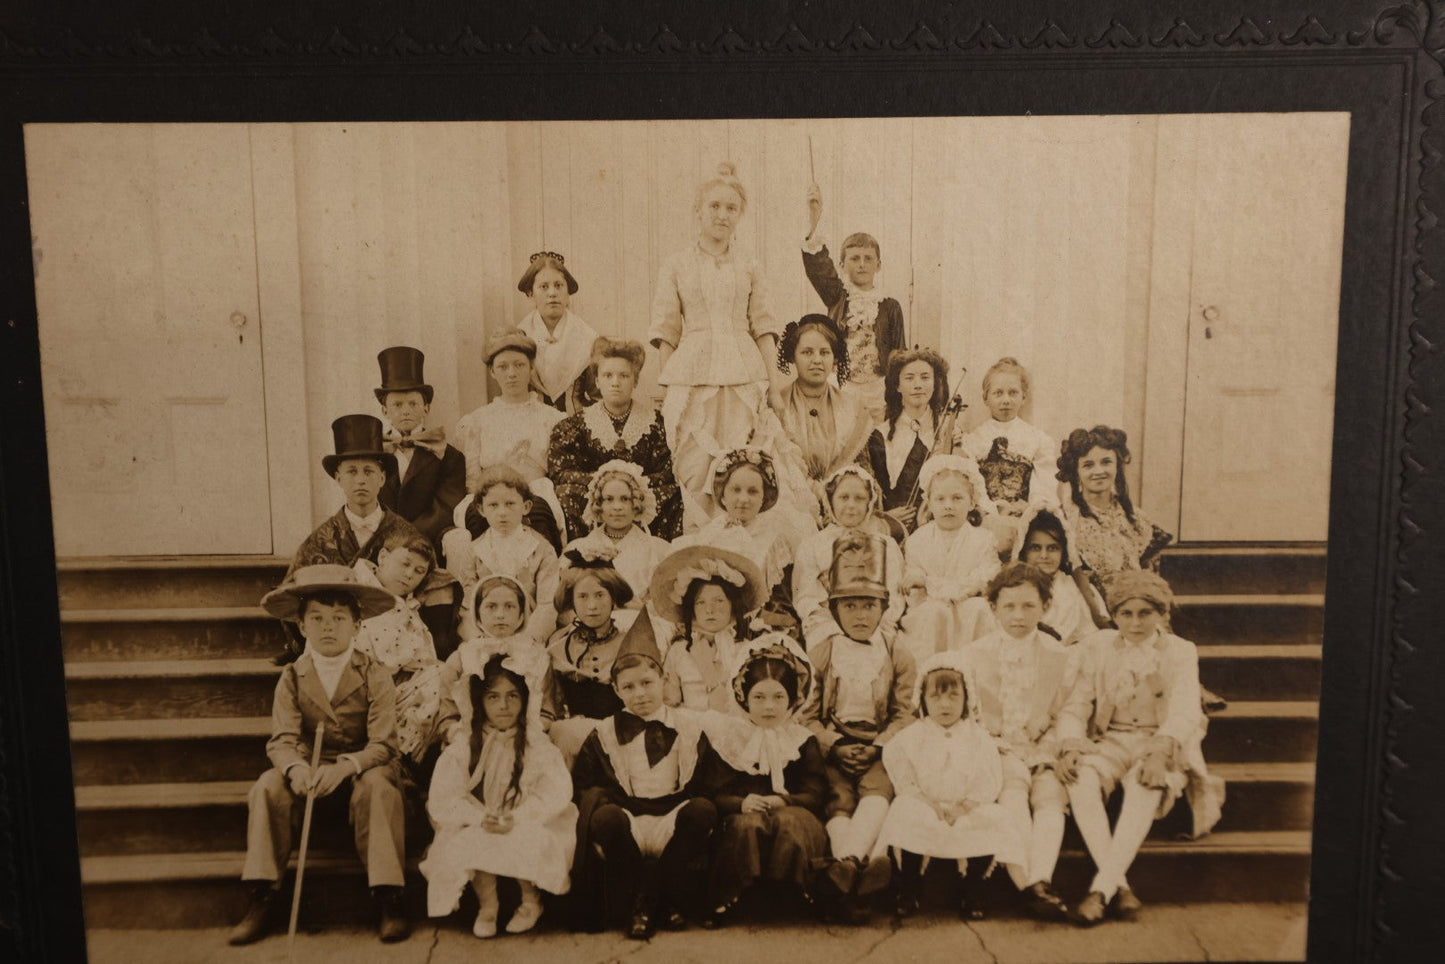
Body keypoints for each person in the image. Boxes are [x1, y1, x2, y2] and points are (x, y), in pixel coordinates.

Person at [228, 565, 407, 945]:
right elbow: (282, 740)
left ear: (358, 625)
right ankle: (262, 895)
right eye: (317, 618)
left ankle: (388, 897)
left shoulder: (374, 672)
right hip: (310, 773)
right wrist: (295, 770)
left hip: (361, 770)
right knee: (267, 786)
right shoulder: (293, 676)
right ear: (302, 625)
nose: (329, 627)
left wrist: (345, 767)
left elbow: (385, 744)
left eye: (339, 618)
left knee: (379, 785)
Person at [1055, 571, 1226, 926]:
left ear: (1161, 614)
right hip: (1110, 740)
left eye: (1144, 613)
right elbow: (1077, 704)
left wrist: (1161, 751)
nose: (1134, 623)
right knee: (1080, 780)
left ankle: (1100, 891)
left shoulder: (1180, 651)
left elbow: (1184, 710)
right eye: (1125, 614)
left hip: (1158, 739)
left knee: (1147, 782)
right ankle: (1121, 887)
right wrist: (1071, 744)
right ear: (1114, 615)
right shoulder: (1098, 646)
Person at [648, 161, 811, 530]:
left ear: (740, 214)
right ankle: (701, 537)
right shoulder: (676, 265)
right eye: (715, 207)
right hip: (693, 376)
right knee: (694, 462)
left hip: (743, 375)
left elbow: (764, 327)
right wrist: (672, 388)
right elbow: (666, 330)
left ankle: (744, 539)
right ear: (698, 210)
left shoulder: (749, 266)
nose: (722, 215)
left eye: (731, 208)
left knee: (745, 456)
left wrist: (773, 388)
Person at [569, 623, 724, 938]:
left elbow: (707, 779)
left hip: (672, 815)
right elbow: (585, 783)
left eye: (647, 683)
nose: (639, 694)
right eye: (628, 687)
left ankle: (645, 902)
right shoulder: (605, 732)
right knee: (605, 819)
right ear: (616, 690)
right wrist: (607, 801)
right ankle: (662, 902)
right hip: (629, 817)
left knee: (704, 810)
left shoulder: (689, 727)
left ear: (664, 681)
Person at [797, 532, 916, 925]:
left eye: (869, 605)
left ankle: (845, 864)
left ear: (883, 607)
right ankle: (862, 868)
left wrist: (881, 745)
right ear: (835, 610)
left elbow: (905, 712)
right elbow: (806, 715)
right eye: (850, 606)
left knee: (879, 790)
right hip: (836, 744)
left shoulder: (896, 650)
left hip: (880, 746)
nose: (860, 615)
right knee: (837, 796)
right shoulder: (824, 652)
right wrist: (832, 745)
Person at [420, 652, 576, 938]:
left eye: (512, 696)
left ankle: (531, 902)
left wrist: (517, 817)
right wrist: (481, 817)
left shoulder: (535, 745)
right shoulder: (466, 744)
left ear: (525, 699)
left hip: (525, 817)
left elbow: (552, 793)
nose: (503, 706)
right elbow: (447, 794)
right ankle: (488, 905)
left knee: (530, 837)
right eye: (493, 697)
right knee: (470, 839)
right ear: (480, 701)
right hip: (482, 819)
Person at [280, 414, 457, 664]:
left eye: (369, 471)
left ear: (382, 478)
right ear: (338, 479)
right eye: (351, 471)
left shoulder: (408, 536)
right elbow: (291, 601)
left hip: (398, 649)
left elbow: (432, 592)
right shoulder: (318, 543)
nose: (361, 479)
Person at [962, 563, 1078, 922]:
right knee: (1013, 792)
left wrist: (1055, 745)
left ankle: (1039, 879)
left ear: (1045, 607)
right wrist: (991, 743)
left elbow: (1065, 711)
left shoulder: (1059, 655)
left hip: (1041, 745)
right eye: (1009, 606)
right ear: (993, 608)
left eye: (1029, 606)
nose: (1018, 616)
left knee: (1049, 798)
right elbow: (968, 715)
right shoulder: (974, 655)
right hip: (996, 746)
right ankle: (1029, 883)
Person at [878, 652, 1025, 921]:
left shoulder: (978, 738)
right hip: (926, 803)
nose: (944, 704)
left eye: (953, 696)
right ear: (922, 699)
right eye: (935, 696)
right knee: (906, 810)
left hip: (965, 806)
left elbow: (988, 778)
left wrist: (965, 806)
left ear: (967, 698)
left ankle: (973, 887)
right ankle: (910, 885)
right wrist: (927, 802)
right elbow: (903, 774)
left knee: (994, 817)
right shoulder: (912, 737)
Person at [703, 633, 828, 925]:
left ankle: (797, 892)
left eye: (778, 697)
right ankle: (734, 896)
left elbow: (816, 791)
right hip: (744, 812)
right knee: (746, 826)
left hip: (793, 809)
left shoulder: (801, 740)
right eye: (759, 697)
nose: (769, 707)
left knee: (790, 822)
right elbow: (712, 791)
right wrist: (740, 802)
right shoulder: (730, 741)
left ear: (793, 699)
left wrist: (785, 800)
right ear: (743, 698)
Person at [547, 338, 684, 540]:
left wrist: (632, 484)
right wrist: (602, 483)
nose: (615, 382)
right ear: (597, 381)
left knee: (674, 493)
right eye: (608, 375)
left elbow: (666, 471)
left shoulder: (655, 423)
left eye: (624, 375)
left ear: (635, 381)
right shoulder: (575, 425)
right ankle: (587, 557)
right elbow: (561, 472)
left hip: (640, 497)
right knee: (565, 493)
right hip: (596, 497)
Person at [450, 329, 567, 553]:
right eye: (503, 367)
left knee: (539, 515)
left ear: (531, 368)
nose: (511, 373)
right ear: (492, 372)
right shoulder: (476, 421)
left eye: (519, 365)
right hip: (488, 494)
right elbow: (472, 480)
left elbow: (559, 473)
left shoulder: (552, 419)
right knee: (477, 517)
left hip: (535, 493)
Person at [801, 184, 906, 421]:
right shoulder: (838, 296)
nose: (861, 264)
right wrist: (814, 219)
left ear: (878, 265)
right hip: (843, 386)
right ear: (842, 265)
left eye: (868, 259)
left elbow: (899, 355)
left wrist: (896, 397)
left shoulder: (890, 306)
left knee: (876, 443)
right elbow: (818, 267)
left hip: (877, 390)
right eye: (854, 258)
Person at [351, 531, 448, 762]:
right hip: (370, 687)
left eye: (419, 571)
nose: (409, 575)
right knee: (445, 676)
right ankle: (403, 754)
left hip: (405, 687)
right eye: (405, 564)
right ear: (383, 557)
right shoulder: (364, 594)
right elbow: (389, 657)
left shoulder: (405, 603)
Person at [672, 447, 810, 607]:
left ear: (763, 498)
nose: (743, 499)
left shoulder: (774, 537)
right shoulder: (713, 530)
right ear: (723, 496)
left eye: (752, 492)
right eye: (736, 490)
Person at [792, 465, 906, 653]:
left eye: (859, 498)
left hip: (876, 622)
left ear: (870, 502)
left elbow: (895, 593)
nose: (851, 505)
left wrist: (878, 620)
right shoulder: (812, 546)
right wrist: (835, 621)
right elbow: (805, 595)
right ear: (831, 500)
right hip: (828, 622)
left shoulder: (886, 545)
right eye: (844, 497)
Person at [899, 455, 1000, 659]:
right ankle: (929, 671)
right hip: (931, 612)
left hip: (968, 607)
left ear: (972, 502)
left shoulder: (983, 540)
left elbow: (986, 577)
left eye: (957, 498)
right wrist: (919, 580)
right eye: (940, 499)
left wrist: (931, 583)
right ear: (928, 502)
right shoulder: (917, 541)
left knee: (979, 609)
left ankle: (973, 672)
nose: (948, 506)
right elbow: (913, 578)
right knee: (934, 611)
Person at [445, 465, 560, 641]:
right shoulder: (474, 551)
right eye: (493, 505)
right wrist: (480, 641)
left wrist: (528, 640)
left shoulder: (542, 550)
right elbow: (468, 606)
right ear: (482, 509)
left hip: (528, 636)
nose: (502, 513)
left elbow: (547, 604)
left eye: (510, 504)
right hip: (485, 635)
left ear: (526, 506)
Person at [373, 346, 467, 554]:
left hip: (429, 541)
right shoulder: (374, 455)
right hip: (381, 541)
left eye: (413, 403)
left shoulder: (449, 457)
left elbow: (445, 507)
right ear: (384, 410)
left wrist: (407, 538)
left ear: (426, 408)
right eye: (397, 405)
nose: (406, 410)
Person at [438, 575, 557, 739]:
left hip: (525, 741)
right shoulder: (461, 659)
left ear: (522, 615)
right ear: (477, 616)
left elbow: (547, 712)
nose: (500, 615)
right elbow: (447, 717)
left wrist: (521, 737)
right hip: (471, 741)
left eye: (509, 606)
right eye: (491, 606)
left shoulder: (537, 657)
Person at [653, 544, 766, 713]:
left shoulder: (745, 650)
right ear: (692, 609)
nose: (709, 610)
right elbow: (670, 701)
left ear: (732, 606)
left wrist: (708, 671)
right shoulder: (679, 650)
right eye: (701, 602)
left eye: (718, 601)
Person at [1056, 424, 1173, 584]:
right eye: (1088, 465)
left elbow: (1152, 581)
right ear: (1077, 471)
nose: (1098, 471)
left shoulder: (1137, 521)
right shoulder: (1064, 520)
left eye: (1106, 462)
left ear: (1117, 466)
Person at [774, 314, 874, 490]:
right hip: (791, 498)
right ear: (793, 356)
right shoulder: (777, 405)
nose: (817, 360)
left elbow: (864, 475)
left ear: (835, 358)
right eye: (807, 352)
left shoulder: (852, 409)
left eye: (824, 352)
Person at [559, 459, 673, 611]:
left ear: (636, 505)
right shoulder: (579, 548)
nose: (617, 507)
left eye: (625, 499)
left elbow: (668, 606)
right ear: (599, 504)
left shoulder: (658, 550)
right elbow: (563, 607)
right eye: (609, 499)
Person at [954, 357, 1061, 517]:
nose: (1006, 400)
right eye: (998, 393)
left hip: (1024, 517)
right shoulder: (973, 440)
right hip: (984, 518)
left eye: (1013, 393)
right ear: (985, 398)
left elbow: (1045, 489)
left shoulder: (1037, 439)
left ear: (1023, 397)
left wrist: (1029, 510)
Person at [864, 347, 952, 532]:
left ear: (935, 383)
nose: (918, 385)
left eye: (925, 378)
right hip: (895, 527)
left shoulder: (949, 431)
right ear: (897, 385)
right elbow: (873, 490)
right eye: (909, 378)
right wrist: (886, 517)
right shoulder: (880, 435)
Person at [545, 553, 639, 723]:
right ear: (571, 600)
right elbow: (551, 708)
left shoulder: (632, 644)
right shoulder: (558, 650)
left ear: (613, 598)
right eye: (582, 596)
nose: (592, 606)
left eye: (600, 595)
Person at [1004, 507, 1110, 644]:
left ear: (1063, 552)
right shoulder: (1011, 588)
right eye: (1035, 548)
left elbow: (1092, 640)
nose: (1044, 556)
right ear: (1024, 552)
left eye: (1052, 548)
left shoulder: (1077, 590)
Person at [515, 251, 600, 413]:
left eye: (558, 285)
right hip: (532, 423)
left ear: (568, 292)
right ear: (530, 293)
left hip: (577, 424)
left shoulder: (587, 337)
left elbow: (598, 394)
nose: (552, 293)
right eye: (544, 287)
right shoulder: (519, 336)